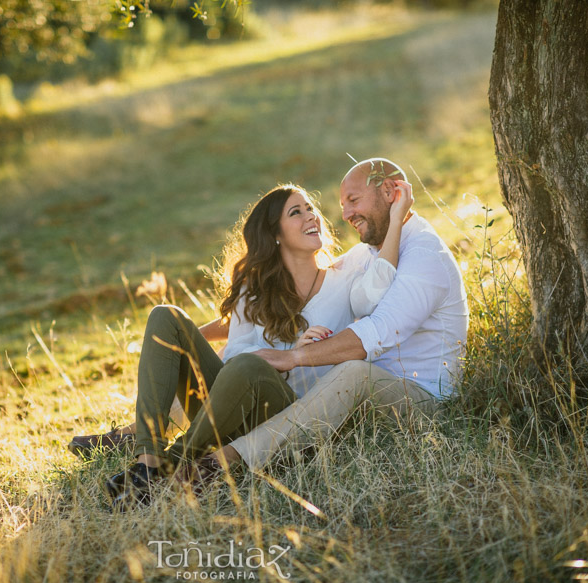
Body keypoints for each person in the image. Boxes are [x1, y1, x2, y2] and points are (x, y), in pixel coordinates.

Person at [178, 158, 469, 485]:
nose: (345, 215)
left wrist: (292, 357)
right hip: (354, 392)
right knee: (251, 358)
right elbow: (301, 297)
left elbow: (373, 336)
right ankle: (145, 431)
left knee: (352, 371)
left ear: (390, 191)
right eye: (343, 205)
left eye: (353, 201)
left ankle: (226, 460)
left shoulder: (424, 257)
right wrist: (194, 337)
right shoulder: (368, 253)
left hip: (419, 400)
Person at [104, 184, 361, 510]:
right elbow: (236, 355)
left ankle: (173, 461)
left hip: (285, 412)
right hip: (230, 402)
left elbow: (383, 288)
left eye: (310, 208)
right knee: (166, 316)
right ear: (275, 234)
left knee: (251, 365)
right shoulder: (253, 290)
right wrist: (283, 350)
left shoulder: (345, 278)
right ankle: (147, 466)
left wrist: (294, 355)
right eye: (296, 212)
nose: (311, 216)